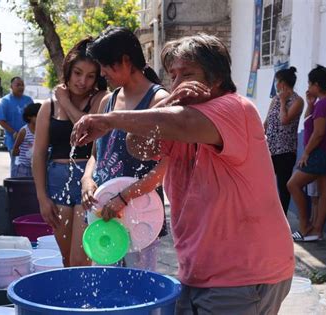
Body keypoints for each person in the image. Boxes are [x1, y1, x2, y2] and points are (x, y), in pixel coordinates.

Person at [71, 33, 294, 314]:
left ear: (215, 78)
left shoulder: (234, 108)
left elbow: (186, 123)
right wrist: (169, 101)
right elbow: (137, 145)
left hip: (244, 274)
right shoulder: (178, 117)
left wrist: (107, 120)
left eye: (187, 74)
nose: (177, 83)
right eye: (173, 76)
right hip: (198, 271)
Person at [81, 27, 169, 271]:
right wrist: (87, 178)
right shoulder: (108, 99)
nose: (102, 73)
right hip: (103, 213)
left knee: (138, 292)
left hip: (140, 215)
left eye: (106, 66)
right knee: (104, 289)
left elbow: (164, 169)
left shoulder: (159, 101)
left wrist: (124, 198)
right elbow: (96, 153)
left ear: (126, 61)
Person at [32, 38, 108, 267]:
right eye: (77, 73)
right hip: (57, 182)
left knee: (81, 259)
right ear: (68, 70)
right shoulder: (49, 106)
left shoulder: (100, 99)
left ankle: (85, 301)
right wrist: (41, 197)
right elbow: (38, 154)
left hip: (88, 181)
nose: (82, 81)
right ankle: (73, 303)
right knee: (66, 260)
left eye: (90, 75)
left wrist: (64, 100)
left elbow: (86, 130)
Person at [288, 65, 326, 242]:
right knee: (325, 191)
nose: (309, 88)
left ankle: (305, 227)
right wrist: (311, 104)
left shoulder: (323, 105)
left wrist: (306, 154)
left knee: (293, 185)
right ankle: (317, 231)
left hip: (322, 153)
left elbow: (318, 133)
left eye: (310, 84)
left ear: (317, 85)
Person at [264, 67, 304, 214]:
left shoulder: (297, 101)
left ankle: (282, 217)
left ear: (282, 83)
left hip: (286, 150)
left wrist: (282, 102)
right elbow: (267, 121)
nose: (276, 85)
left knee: (283, 185)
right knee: (264, 182)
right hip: (270, 148)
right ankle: (267, 214)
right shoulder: (274, 99)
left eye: (277, 81)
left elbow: (285, 120)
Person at [0, 77, 34, 177]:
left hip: (30, 140)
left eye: (22, 85)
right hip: (14, 140)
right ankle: (15, 187)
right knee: (17, 166)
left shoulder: (28, 100)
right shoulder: (5, 101)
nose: (21, 87)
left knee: (31, 165)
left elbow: (35, 117)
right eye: (18, 85)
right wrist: (13, 132)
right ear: (11, 87)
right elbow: (0, 119)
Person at [12, 102, 41, 177]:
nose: (40, 118)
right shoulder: (24, 131)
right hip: (24, 167)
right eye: (37, 116)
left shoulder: (43, 130)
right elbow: (15, 148)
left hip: (38, 167)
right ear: (29, 117)